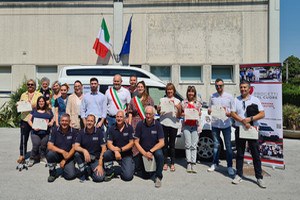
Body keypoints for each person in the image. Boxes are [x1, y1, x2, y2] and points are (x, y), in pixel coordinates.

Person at [231, 80, 266, 188]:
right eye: (241, 87)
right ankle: (238, 175)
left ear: (249, 88)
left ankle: (259, 177)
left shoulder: (255, 100)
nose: (243, 89)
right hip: (240, 128)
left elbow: (262, 114)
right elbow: (233, 113)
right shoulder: (236, 100)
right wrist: (243, 121)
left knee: (255, 154)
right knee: (240, 154)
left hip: (252, 129)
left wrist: (250, 119)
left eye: (245, 87)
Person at [207, 78, 235, 176]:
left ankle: (230, 166)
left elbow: (233, 111)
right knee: (216, 145)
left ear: (223, 86)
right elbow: (209, 109)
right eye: (217, 86)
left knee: (228, 146)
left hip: (226, 124)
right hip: (215, 124)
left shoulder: (229, 97)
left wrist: (229, 113)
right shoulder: (212, 96)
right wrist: (209, 111)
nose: (218, 87)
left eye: (220, 85)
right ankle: (215, 164)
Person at [134, 106, 165, 188]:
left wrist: (151, 151)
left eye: (150, 114)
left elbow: (162, 142)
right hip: (143, 151)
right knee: (145, 177)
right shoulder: (140, 124)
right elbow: (136, 142)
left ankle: (158, 176)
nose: (147, 116)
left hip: (154, 149)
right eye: (146, 114)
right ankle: (151, 170)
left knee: (160, 155)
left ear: (153, 115)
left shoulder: (158, 125)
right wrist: (145, 153)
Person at [103, 110, 135, 181]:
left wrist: (120, 150)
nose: (119, 119)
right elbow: (109, 143)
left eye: (121, 117)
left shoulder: (129, 128)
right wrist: (116, 151)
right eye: (117, 117)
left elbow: (131, 143)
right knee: (106, 154)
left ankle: (129, 165)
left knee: (127, 177)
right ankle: (110, 171)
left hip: (126, 154)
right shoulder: (111, 128)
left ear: (124, 118)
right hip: (114, 152)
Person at [74, 114, 107, 183]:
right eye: (88, 120)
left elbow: (104, 148)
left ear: (94, 122)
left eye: (91, 121)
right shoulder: (81, 132)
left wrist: (100, 164)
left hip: (95, 159)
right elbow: (76, 146)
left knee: (99, 178)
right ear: (85, 121)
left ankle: (89, 170)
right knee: (77, 154)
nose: (89, 122)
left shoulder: (99, 132)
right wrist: (84, 150)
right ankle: (83, 172)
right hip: (85, 158)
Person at [17, 79, 42, 164]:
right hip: (25, 119)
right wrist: (20, 104)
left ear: (35, 86)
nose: (30, 86)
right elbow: (19, 104)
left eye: (32, 84)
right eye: (28, 84)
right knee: (24, 138)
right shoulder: (23, 94)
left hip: (36, 119)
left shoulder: (39, 94)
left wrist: (29, 105)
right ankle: (22, 154)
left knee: (37, 139)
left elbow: (41, 104)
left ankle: (37, 155)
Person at [46, 114, 77, 182]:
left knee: (70, 176)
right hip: (58, 154)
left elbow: (74, 147)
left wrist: (65, 160)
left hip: (68, 156)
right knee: (50, 154)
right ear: (60, 121)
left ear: (69, 122)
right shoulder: (54, 130)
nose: (64, 123)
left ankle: (66, 167)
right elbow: (49, 146)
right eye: (62, 121)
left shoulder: (74, 131)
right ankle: (52, 172)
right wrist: (62, 151)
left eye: (66, 121)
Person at [158, 83, 181, 172]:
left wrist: (178, 108)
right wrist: (159, 109)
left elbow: (179, 116)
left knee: (172, 145)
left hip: (173, 125)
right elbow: (159, 112)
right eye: (168, 89)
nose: (169, 91)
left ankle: (172, 163)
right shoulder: (162, 99)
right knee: (164, 144)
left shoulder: (177, 101)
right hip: (163, 123)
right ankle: (164, 163)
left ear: (173, 91)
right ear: (166, 91)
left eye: (171, 89)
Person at [27, 96, 54, 166]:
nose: (41, 103)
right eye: (40, 101)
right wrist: (33, 126)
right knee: (36, 144)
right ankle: (32, 158)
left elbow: (53, 118)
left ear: (45, 102)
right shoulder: (34, 110)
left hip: (45, 132)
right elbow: (29, 120)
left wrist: (51, 123)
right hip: (35, 132)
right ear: (38, 102)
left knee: (43, 145)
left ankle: (42, 157)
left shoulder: (49, 111)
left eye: (42, 101)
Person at [181, 86, 202, 173]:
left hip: (195, 126)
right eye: (189, 92)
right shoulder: (183, 103)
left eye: (192, 92)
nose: (191, 93)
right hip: (186, 125)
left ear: (194, 93)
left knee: (194, 145)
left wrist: (199, 113)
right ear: (187, 93)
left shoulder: (198, 103)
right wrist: (183, 114)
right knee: (187, 145)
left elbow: (199, 113)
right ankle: (188, 163)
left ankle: (193, 163)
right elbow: (181, 113)